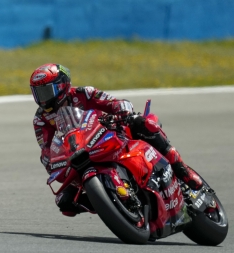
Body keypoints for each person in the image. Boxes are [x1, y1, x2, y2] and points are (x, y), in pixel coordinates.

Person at [30, 63, 202, 216]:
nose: (43, 99)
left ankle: (182, 170)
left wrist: (123, 111)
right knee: (64, 202)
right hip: (79, 153)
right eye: (38, 93)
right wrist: (51, 163)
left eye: (46, 91)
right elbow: (46, 148)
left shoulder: (84, 93)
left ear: (62, 86)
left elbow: (114, 102)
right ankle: (112, 204)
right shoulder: (40, 119)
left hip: (109, 132)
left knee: (143, 123)